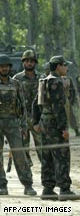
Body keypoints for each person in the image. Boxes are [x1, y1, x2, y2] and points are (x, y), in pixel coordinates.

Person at [34, 55, 80, 201]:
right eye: (65, 65)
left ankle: (48, 189)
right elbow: (58, 107)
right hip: (55, 124)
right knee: (62, 156)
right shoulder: (57, 82)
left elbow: (34, 103)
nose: (66, 68)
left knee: (47, 156)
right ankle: (64, 189)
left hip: (45, 122)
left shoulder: (43, 81)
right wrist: (64, 128)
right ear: (58, 67)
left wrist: (36, 121)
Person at [0, 54, 37, 196]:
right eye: (2, 67)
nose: (4, 69)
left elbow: (22, 107)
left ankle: (28, 185)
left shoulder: (16, 84)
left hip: (13, 122)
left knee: (20, 154)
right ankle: (2, 185)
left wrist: (23, 126)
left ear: (10, 68)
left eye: (6, 67)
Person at [13, 49, 45, 165]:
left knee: (42, 146)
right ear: (23, 63)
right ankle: (27, 173)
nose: (29, 63)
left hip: (38, 117)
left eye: (31, 61)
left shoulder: (42, 77)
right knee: (23, 146)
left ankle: (47, 171)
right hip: (22, 117)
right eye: (27, 61)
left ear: (35, 62)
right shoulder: (17, 78)